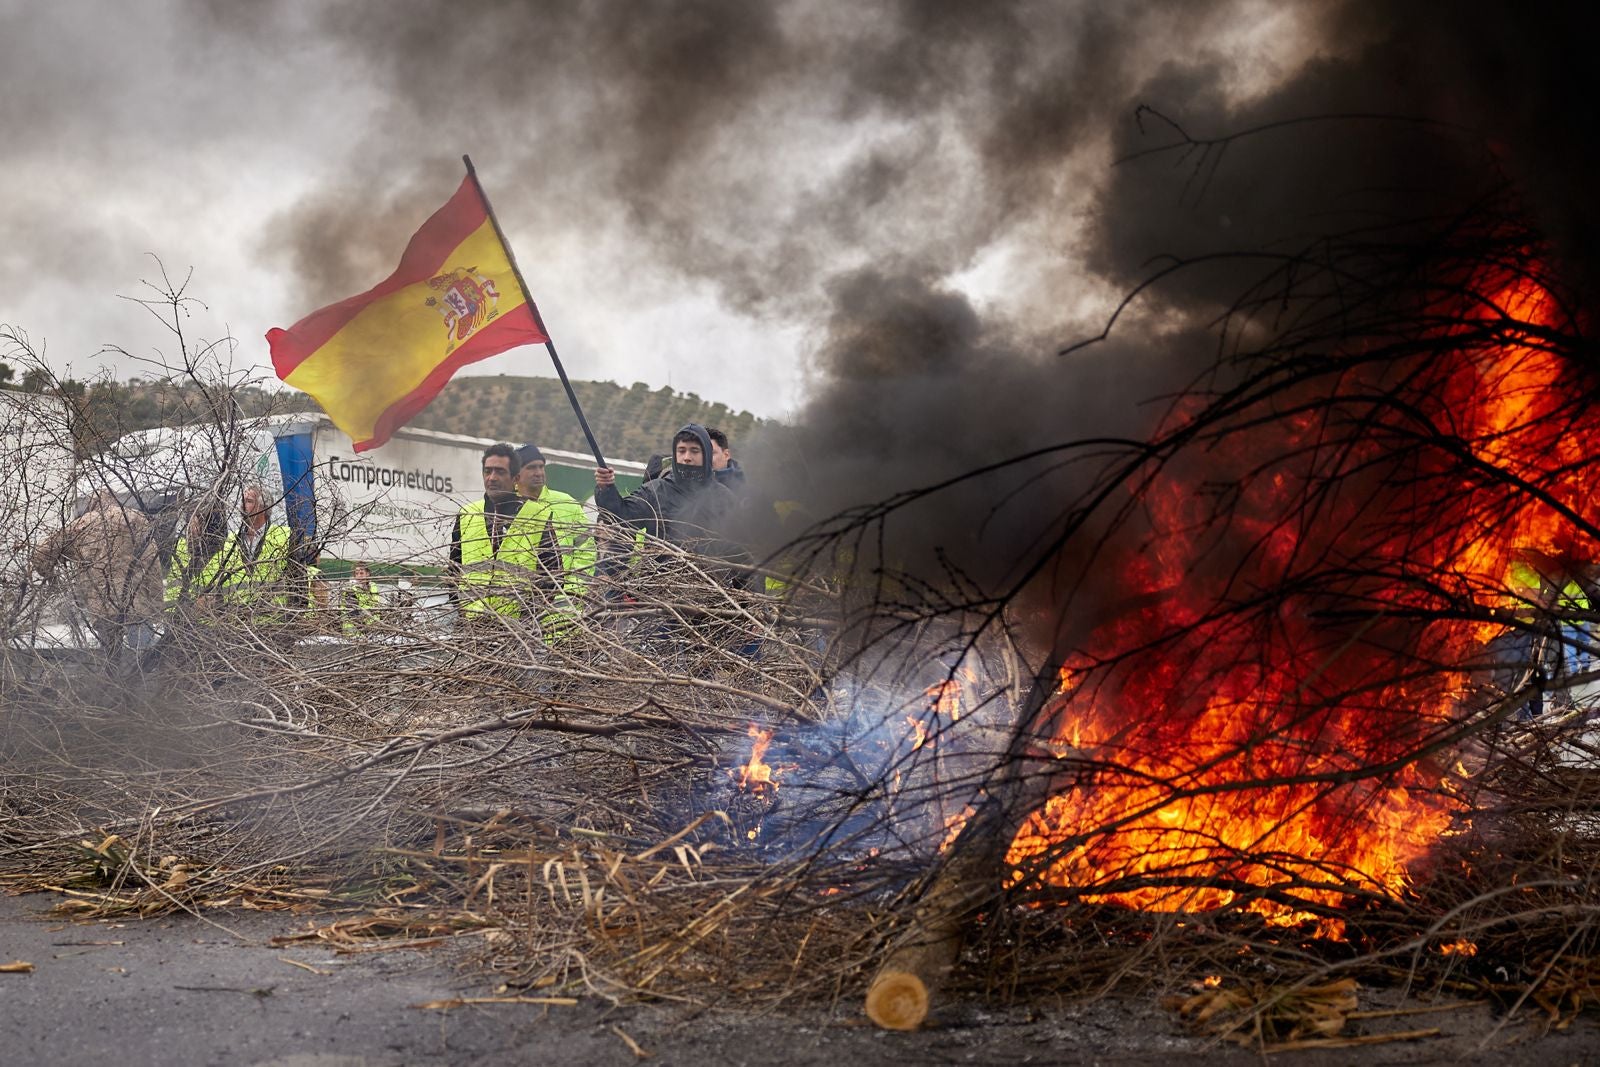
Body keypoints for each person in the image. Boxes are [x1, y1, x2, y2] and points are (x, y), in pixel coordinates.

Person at [594, 423, 748, 578]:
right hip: (658, 592)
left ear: (706, 454)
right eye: (681, 451)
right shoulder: (655, 491)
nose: (687, 457)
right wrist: (606, 489)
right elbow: (621, 518)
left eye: (694, 451)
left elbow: (742, 557)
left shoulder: (725, 499)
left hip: (711, 595)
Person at [30, 489, 164, 656]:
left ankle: (114, 681)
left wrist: (53, 579)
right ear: (115, 501)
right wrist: (157, 605)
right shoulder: (136, 519)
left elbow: (40, 554)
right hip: (136, 604)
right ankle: (142, 679)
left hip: (102, 607)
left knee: (111, 659)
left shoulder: (81, 526)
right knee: (142, 658)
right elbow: (152, 562)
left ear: (93, 505)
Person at [196, 484, 294, 614]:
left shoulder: (284, 536)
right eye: (242, 501)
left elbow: (305, 574)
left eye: (248, 501)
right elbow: (210, 575)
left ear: (264, 507)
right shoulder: (232, 540)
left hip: (273, 624)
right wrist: (196, 599)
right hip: (238, 623)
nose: (242, 506)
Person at [706, 427, 746, 493]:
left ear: (726, 455)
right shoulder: (690, 482)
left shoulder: (744, 488)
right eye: (702, 453)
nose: (706, 458)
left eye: (711, 453)